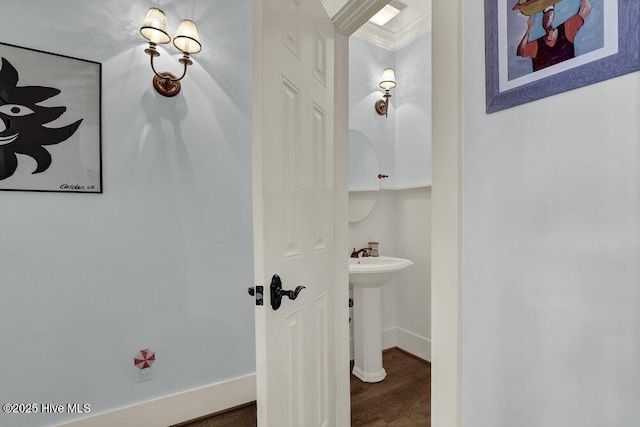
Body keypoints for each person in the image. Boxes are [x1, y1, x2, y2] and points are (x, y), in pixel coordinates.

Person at [517, 0, 591, 72]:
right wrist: (529, 29)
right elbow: (521, 52)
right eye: (545, 15)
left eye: (550, 13)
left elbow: (585, 9)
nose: (548, 17)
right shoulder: (538, 45)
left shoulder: (566, 31)